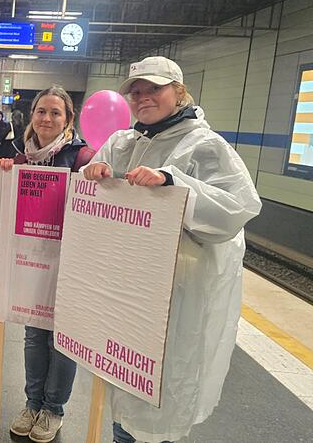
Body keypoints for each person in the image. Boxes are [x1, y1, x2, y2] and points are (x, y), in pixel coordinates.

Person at [83, 56, 262, 443]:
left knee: (158, 391)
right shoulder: (122, 143)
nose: (142, 98)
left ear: (178, 92)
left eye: (154, 89)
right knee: (121, 378)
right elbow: (96, 198)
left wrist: (172, 181)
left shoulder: (205, 146)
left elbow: (239, 207)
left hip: (176, 293)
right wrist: (93, 173)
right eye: (136, 92)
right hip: (125, 288)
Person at [0, 86, 95, 443]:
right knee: (35, 334)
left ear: (68, 119)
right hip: (32, 262)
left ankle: (54, 409)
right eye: (41, 111)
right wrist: (5, 171)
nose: (47, 119)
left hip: (70, 262)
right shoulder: (22, 157)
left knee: (63, 338)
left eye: (56, 113)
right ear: (31, 116)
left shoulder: (82, 157)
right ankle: (32, 403)